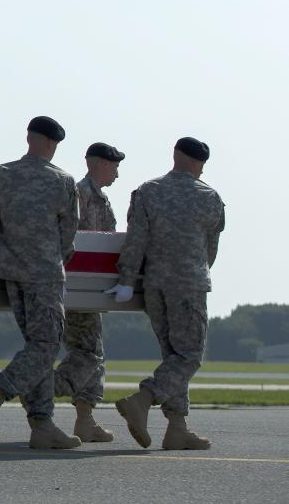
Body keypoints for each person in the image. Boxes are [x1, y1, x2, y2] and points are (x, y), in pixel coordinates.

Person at [0, 116, 81, 450]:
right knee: (46, 346)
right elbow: (68, 235)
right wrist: (55, 260)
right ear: (50, 143)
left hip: (8, 272)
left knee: (37, 347)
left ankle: (42, 424)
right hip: (44, 272)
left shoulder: (0, 174)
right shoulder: (62, 180)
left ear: (29, 138)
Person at [111, 137, 224, 450]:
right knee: (189, 357)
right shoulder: (209, 197)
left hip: (154, 285)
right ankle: (142, 400)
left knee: (173, 357)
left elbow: (135, 241)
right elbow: (210, 250)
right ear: (197, 162)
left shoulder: (148, 191)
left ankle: (177, 427)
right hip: (189, 284)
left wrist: (126, 279)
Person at [54, 141, 124, 442]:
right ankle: (37, 391)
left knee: (94, 353)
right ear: (98, 164)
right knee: (86, 354)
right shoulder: (77, 196)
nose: (117, 174)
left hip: (91, 292)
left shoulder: (102, 201)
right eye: (114, 166)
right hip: (75, 290)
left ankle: (85, 419)